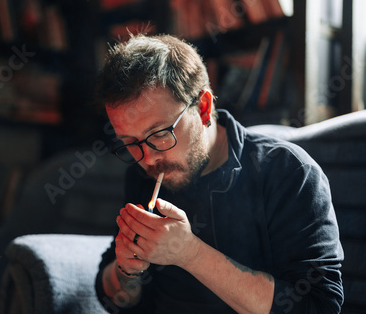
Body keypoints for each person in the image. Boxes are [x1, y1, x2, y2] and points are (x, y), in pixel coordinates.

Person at [93, 34, 343, 313]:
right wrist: (126, 272)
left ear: (203, 107)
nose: (148, 158)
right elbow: (113, 297)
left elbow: (320, 306)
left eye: (160, 134)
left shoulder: (287, 173)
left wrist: (190, 254)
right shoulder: (143, 174)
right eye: (130, 142)